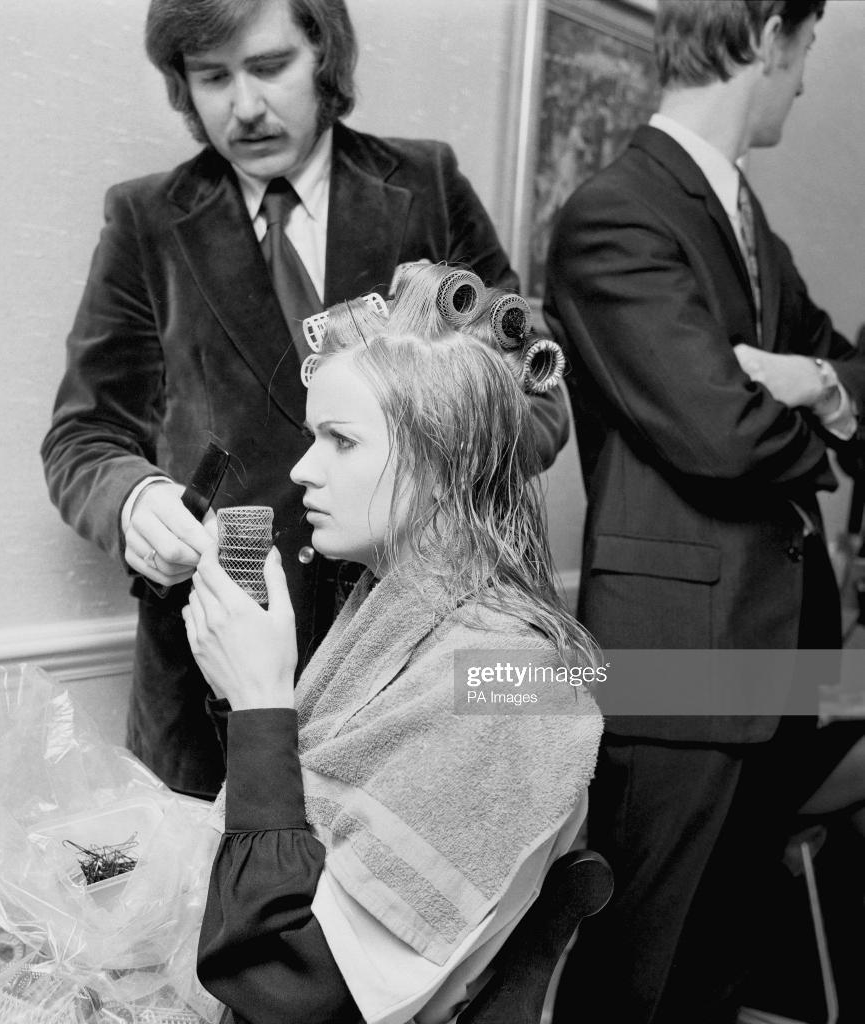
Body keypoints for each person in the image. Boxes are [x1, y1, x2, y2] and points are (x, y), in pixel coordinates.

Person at [40, 0, 569, 801]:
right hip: (207, 687)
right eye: (212, 78)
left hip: (409, 662)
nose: (244, 107)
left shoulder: (425, 185)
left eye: (269, 67)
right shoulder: (146, 222)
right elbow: (83, 438)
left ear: (324, 55)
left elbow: (535, 396)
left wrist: (431, 452)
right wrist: (134, 500)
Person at [543, 2, 865, 1021]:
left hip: (773, 671)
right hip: (677, 681)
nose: (802, 80)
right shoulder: (615, 214)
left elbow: (842, 365)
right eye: (805, 50)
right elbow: (720, 434)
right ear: (768, 35)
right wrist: (819, 437)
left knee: (714, 984)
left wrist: (817, 380)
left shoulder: (744, 219)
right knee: (639, 990)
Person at [179, 264, 601, 1024]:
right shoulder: (390, 607)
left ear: (448, 463)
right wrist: (241, 687)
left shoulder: (512, 682)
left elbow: (287, 989)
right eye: (312, 437)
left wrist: (260, 702)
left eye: (340, 440)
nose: (302, 471)